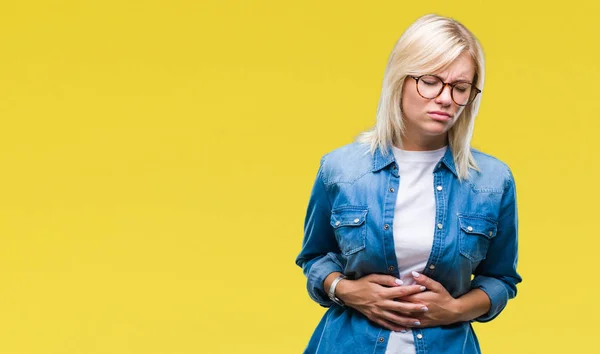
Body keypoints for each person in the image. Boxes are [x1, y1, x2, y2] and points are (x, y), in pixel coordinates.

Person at [295, 14, 522, 354]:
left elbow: (501, 279)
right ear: (400, 79)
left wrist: (455, 310)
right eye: (431, 81)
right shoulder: (340, 169)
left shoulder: (492, 181)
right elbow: (314, 257)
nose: (446, 98)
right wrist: (346, 290)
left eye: (460, 88)